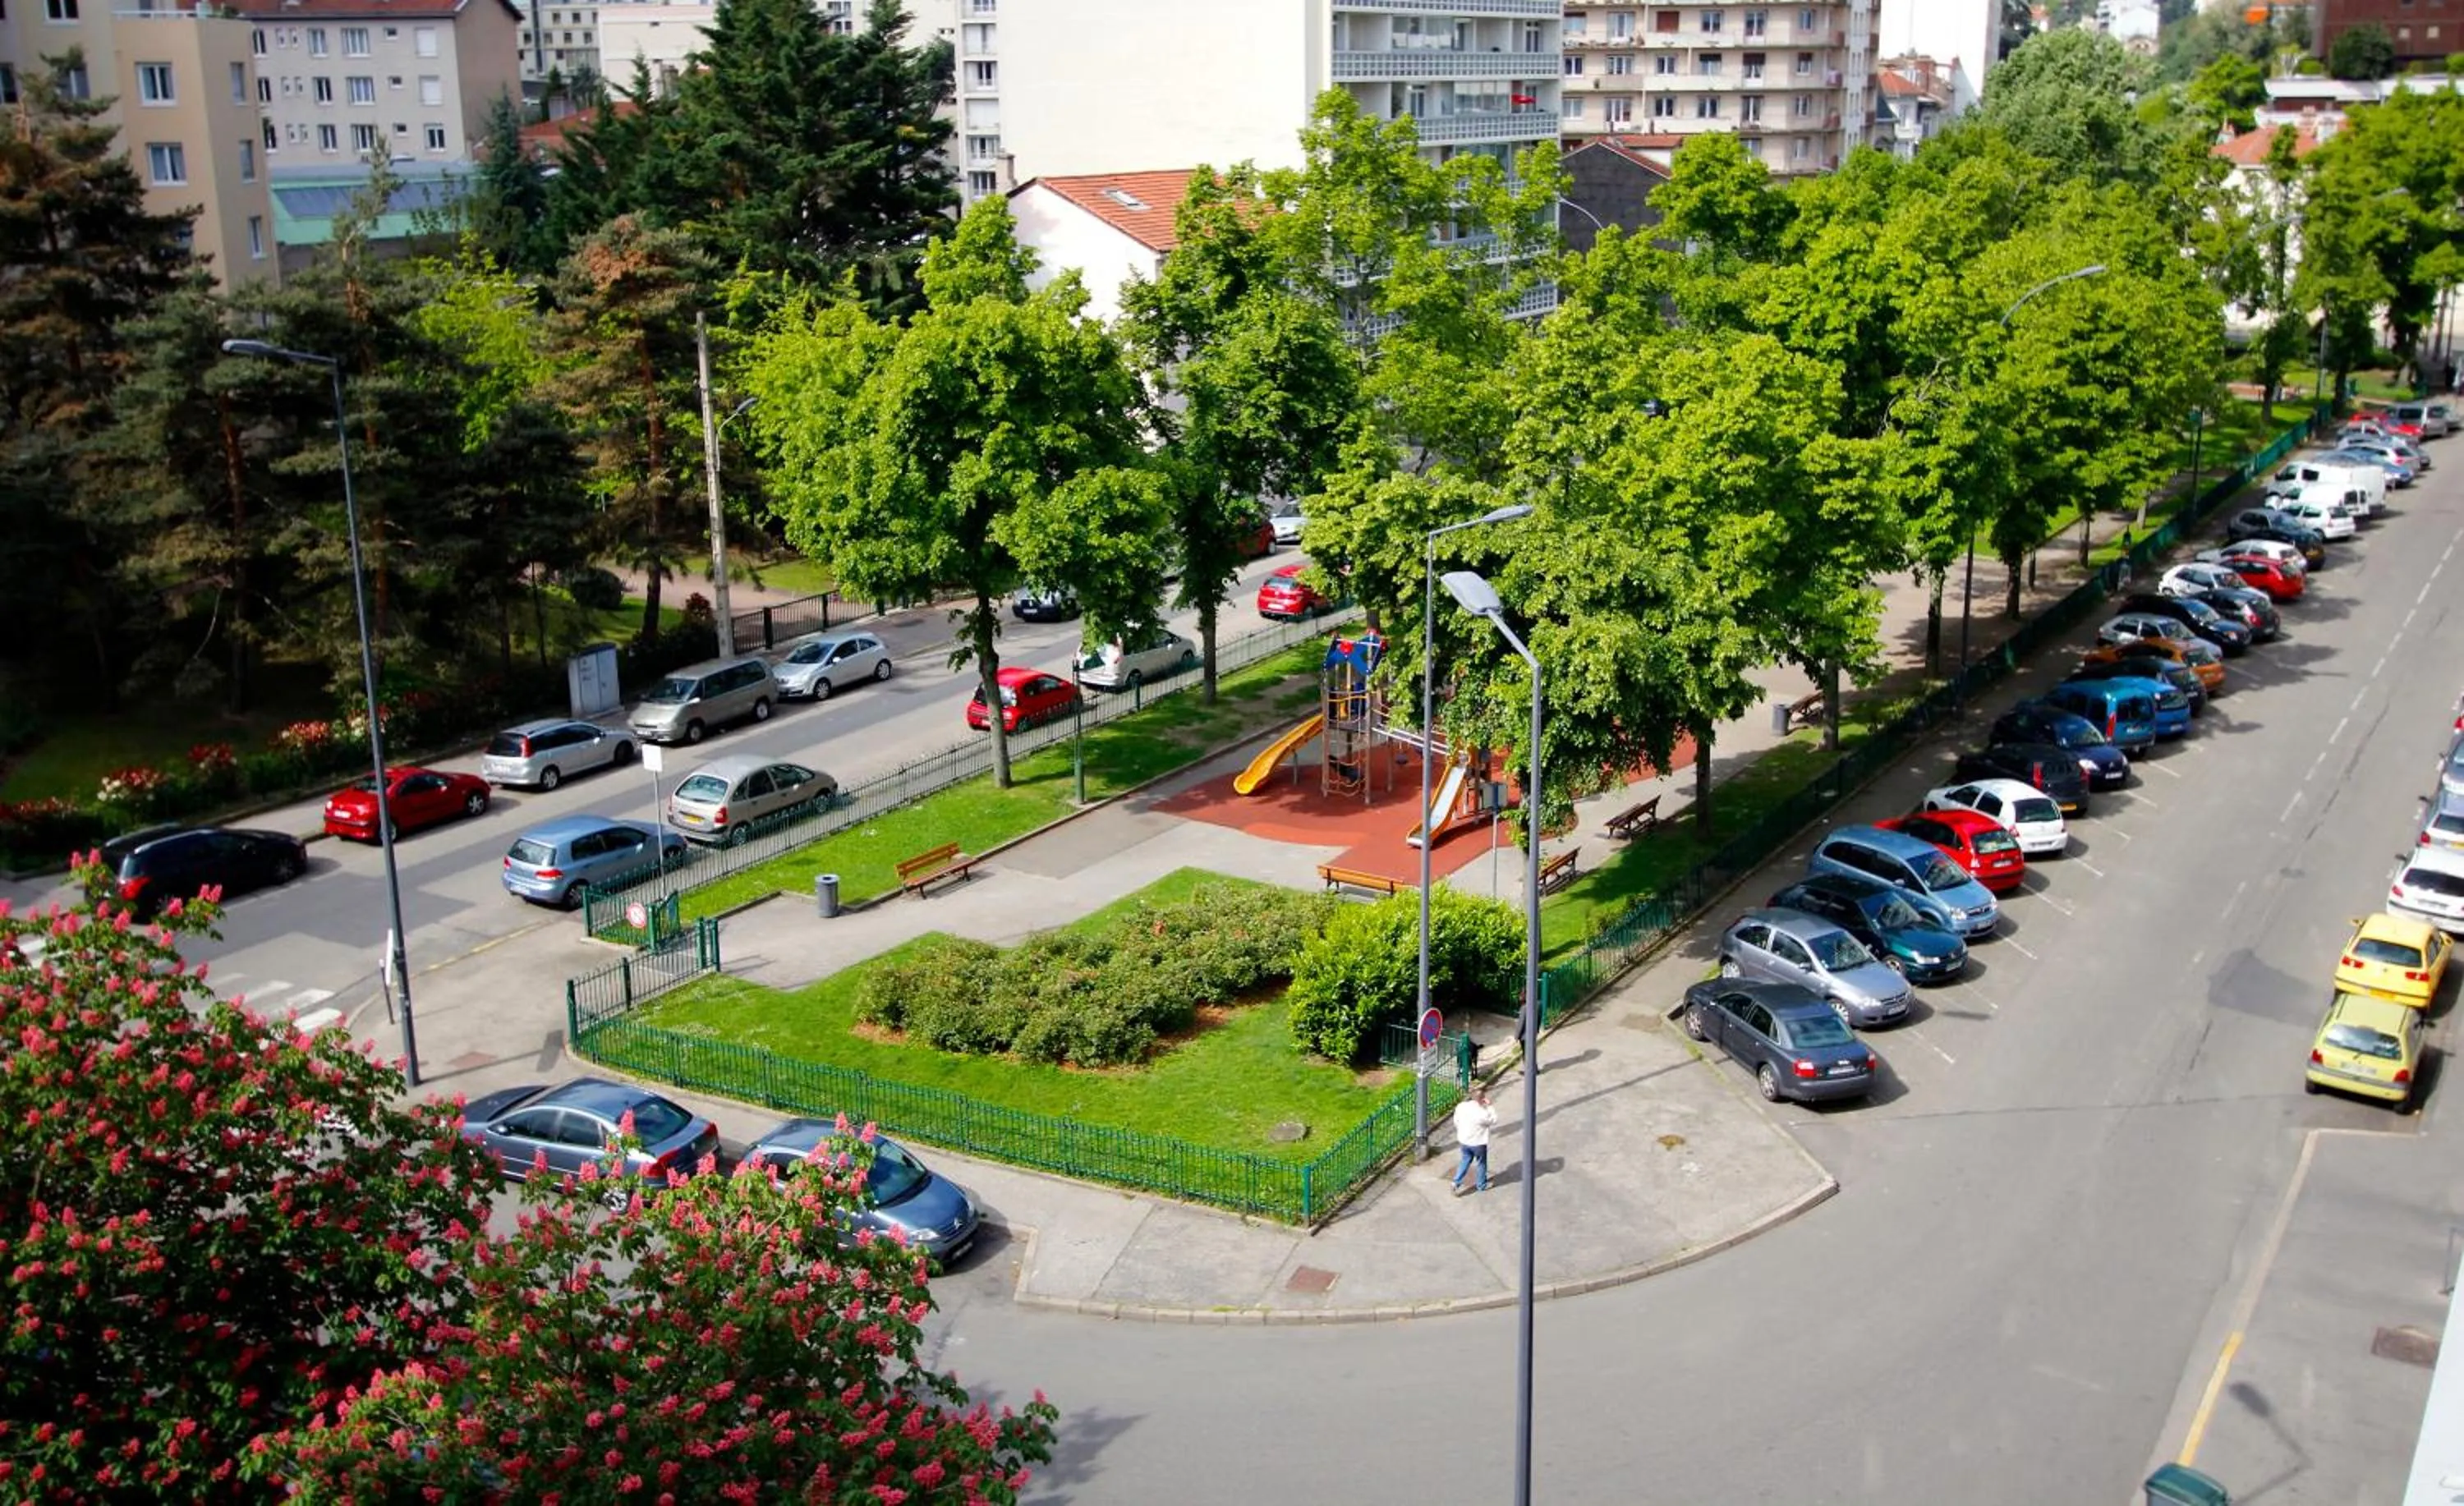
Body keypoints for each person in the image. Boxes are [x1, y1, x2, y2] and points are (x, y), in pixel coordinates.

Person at [1450, 1086, 1496, 1196]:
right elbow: (1494, 1120)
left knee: (1465, 1160)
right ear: (1482, 1099)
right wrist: (1490, 1106)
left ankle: (1456, 1182)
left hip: (1464, 1140)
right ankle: (1481, 1185)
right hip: (1478, 1143)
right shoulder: (1482, 1113)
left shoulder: (1461, 1107)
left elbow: (1456, 1121)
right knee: (1481, 1163)